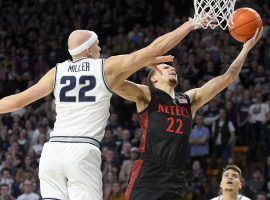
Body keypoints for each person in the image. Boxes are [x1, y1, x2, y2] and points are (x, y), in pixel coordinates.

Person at [0, 18, 203, 200]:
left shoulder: (57, 72)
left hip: (52, 152)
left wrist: (140, 63)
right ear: (89, 50)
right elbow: (155, 47)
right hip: (82, 150)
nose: (100, 48)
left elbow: (18, 101)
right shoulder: (104, 67)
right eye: (97, 45)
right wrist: (190, 24)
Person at [113, 28, 263, 200]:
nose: (171, 69)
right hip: (149, 171)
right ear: (153, 78)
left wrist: (246, 48)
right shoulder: (147, 95)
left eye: (171, 67)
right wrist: (142, 61)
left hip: (176, 175)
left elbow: (228, 77)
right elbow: (114, 81)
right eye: (164, 67)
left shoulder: (189, 100)